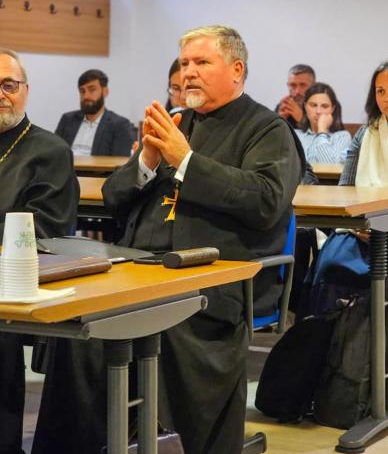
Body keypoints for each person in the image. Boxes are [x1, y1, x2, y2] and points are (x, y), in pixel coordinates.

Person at [33, 25, 305, 454]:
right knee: (80, 329)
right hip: (140, 270)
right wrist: (146, 160)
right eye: (184, 63)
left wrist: (186, 160)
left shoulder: (267, 129)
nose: (188, 72)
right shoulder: (177, 122)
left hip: (211, 281)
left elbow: (266, 201)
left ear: (236, 70)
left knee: (155, 331)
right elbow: (112, 199)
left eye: (201, 62)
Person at [0, 48, 79, 454]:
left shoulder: (49, 150)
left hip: (13, 282)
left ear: (25, 91)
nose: (1, 94)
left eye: (8, 85)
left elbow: (44, 231)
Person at [307, 58, 388, 315]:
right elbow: (345, 190)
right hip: (362, 228)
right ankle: (335, 336)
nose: (386, 97)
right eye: (380, 91)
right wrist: (358, 224)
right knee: (331, 263)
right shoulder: (366, 133)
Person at [55, 69, 134, 156]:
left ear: (105, 92)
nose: (86, 96)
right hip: (67, 165)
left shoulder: (120, 125)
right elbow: (54, 152)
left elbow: (120, 162)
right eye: (82, 91)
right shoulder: (67, 120)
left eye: (92, 90)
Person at [295, 82, 352, 163]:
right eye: (313, 105)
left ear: (332, 109)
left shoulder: (342, 137)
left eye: (324, 106)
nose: (318, 111)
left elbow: (331, 168)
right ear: (305, 106)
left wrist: (322, 131)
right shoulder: (295, 135)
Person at [275, 63, 315, 128]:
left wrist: (302, 120)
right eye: (293, 85)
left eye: (303, 85)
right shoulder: (283, 106)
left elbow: (324, 133)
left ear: (313, 86)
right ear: (288, 85)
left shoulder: (323, 107)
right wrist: (279, 121)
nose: (297, 92)